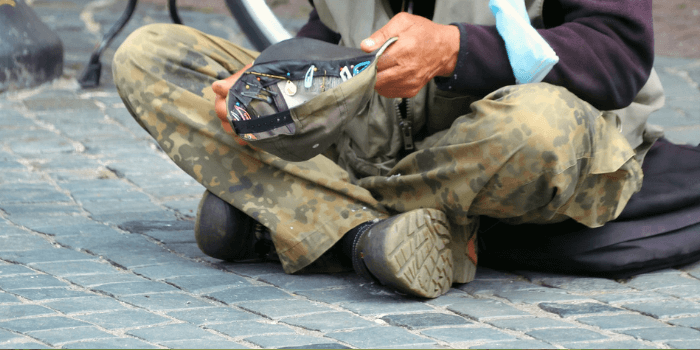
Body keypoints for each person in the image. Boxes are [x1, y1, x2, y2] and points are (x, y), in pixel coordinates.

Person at [112, 0, 664, 298]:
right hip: (373, 133)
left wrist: (457, 49)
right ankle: (368, 235)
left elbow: (617, 53)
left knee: (539, 129)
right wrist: (272, 82)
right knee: (151, 54)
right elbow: (328, 32)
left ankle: (298, 214)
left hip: (498, 137)